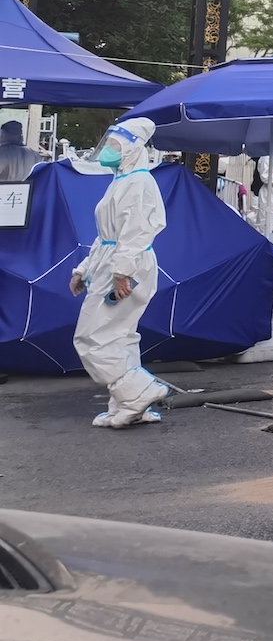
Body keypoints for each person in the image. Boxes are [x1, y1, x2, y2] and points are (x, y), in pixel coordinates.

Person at [68, 118, 169, 428]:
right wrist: (83, 269)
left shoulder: (138, 183)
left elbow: (136, 233)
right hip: (115, 263)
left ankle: (139, 392)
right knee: (121, 336)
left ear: (132, 149)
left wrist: (121, 273)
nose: (108, 151)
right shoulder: (122, 181)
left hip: (127, 266)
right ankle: (129, 405)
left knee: (91, 338)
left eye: (114, 145)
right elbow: (106, 236)